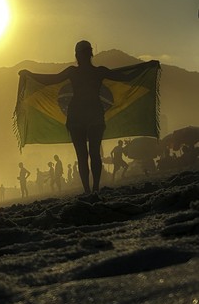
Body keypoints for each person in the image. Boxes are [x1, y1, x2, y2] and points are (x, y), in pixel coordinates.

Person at [19, 41, 157, 194]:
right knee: (93, 154)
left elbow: (52, 79)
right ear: (90, 54)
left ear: (77, 55)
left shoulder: (74, 72)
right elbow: (125, 77)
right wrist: (147, 66)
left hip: (78, 117)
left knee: (83, 156)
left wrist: (30, 74)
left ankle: (88, 190)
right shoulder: (98, 72)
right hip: (93, 115)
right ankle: (94, 188)